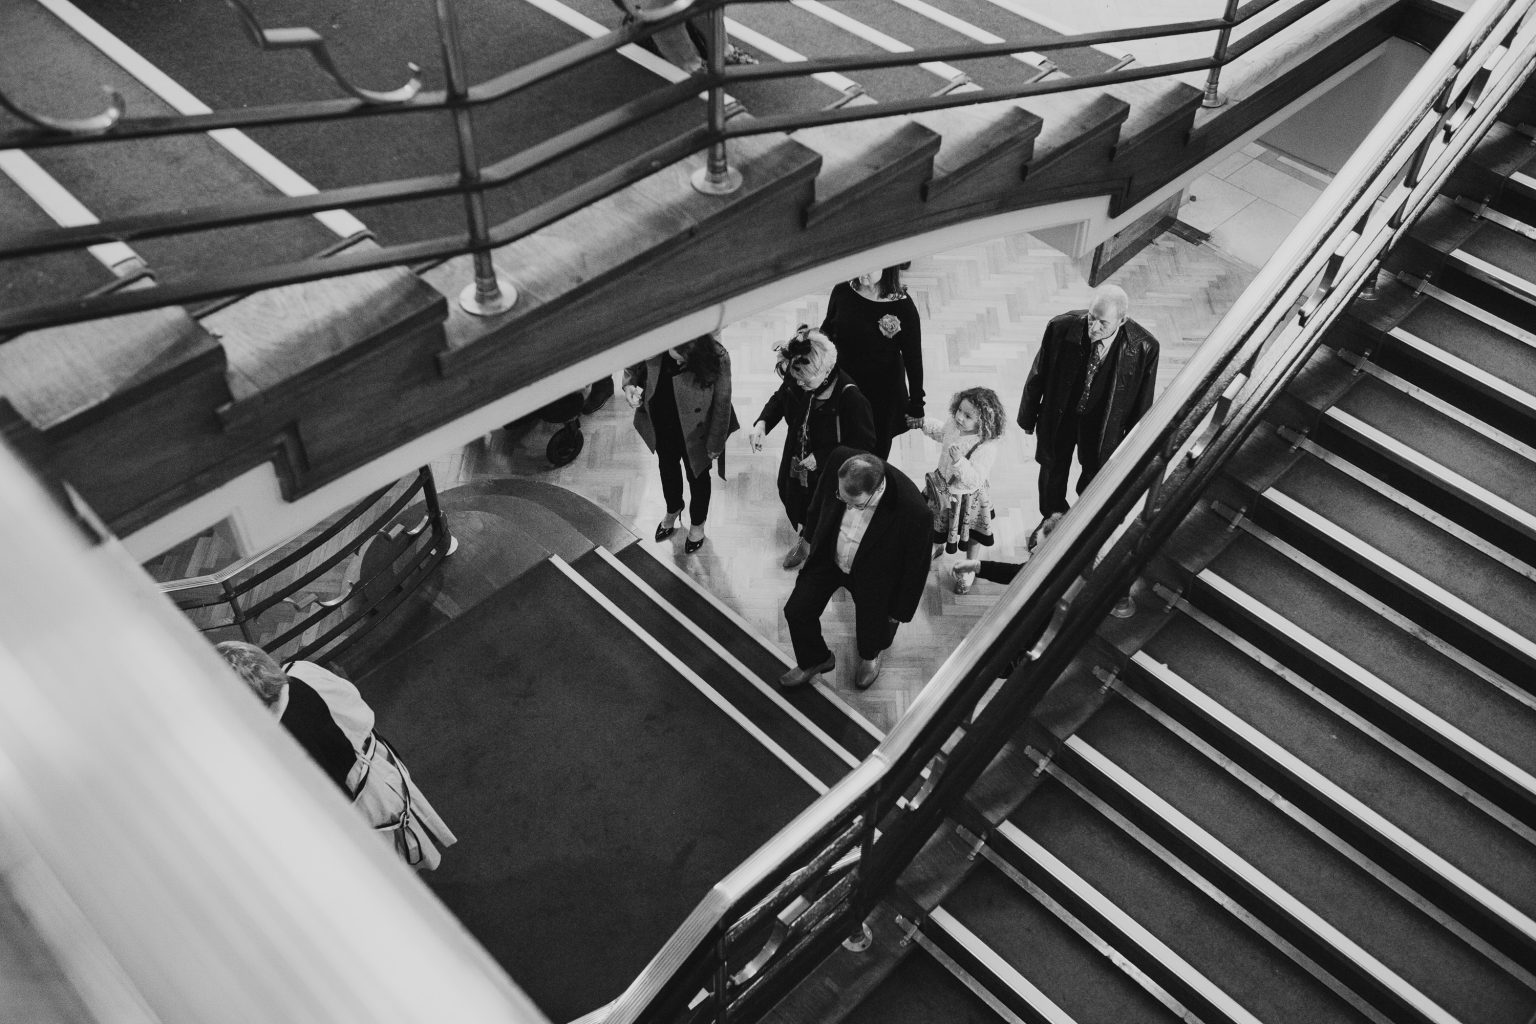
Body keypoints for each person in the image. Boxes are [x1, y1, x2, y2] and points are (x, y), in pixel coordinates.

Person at [215, 641, 458, 871]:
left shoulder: (256, 750)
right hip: (377, 784)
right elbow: (357, 707)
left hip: (342, 822)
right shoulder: (302, 674)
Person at [779, 448, 932, 692]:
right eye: (843, 499)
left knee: (872, 630)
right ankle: (816, 659)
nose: (846, 506)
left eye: (855, 503)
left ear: (875, 492)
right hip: (829, 557)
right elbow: (819, 503)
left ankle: (871, 656)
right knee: (797, 611)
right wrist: (807, 539)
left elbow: (916, 569)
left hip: (874, 575)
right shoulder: (839, 461)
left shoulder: (914, 512)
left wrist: (899, 611)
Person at [1017, 284, 1159, 525]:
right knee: (1052, 470)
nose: (1093, 328)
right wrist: (1028, 417)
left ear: (1122, 320)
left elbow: (1143, 403)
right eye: (1091, 318)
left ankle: (1081, 522)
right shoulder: (1060, 327)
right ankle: (1051, 520)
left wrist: (1132, 446)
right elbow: (1038, 374)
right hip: (1061, 415)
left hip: (1102, 423)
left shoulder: (1145, 347)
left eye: (1103, 323)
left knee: (1094, 477)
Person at [749, 326, 877, 569]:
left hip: (830, 471)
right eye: (796, 378)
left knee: (822, 509)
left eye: (804, 380)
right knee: (791, 493)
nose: (798, 383)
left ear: (827, 370)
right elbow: (781, 397)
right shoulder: (799, 373)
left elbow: (864, 445)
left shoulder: (851, 399)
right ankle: (805, 534)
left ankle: (809, 544)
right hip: (796, 455)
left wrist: (822, 456)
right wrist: (762, 423)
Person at [624, 333, 737, 555]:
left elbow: (722, 403)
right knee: (667, 469)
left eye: (683, 358)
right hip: (662, 422)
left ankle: (697, 524)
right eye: (674, 354)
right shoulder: (658, 337)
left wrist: (715, 443)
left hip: (697, 434)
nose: (676, 361)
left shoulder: (717, 356)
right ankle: (673, 508)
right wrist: (629, 384)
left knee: (698, 478)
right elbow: (633, 358)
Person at [820, 265, 924, 460]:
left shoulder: (903, 306)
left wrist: (917, 403)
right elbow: (828, 329)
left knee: (875, 450)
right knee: (843, 438)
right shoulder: (842, 289)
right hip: (846, 384)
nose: (862, 272)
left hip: (883, 394)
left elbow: (914, 358)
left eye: (870, 267)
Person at [910, 386, 1007, 594]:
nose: (960, 417)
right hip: (942, 489)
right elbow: (941, 432)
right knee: (936, 523)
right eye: (959, 411)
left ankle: (970, 566)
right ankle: (936, 547)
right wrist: (923, 423)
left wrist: (959, 461)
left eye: (968, 416)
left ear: (983, 422)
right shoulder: (954, 426)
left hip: (967, 500)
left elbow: (974, 480)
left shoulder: (986, 447)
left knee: (972, 534)